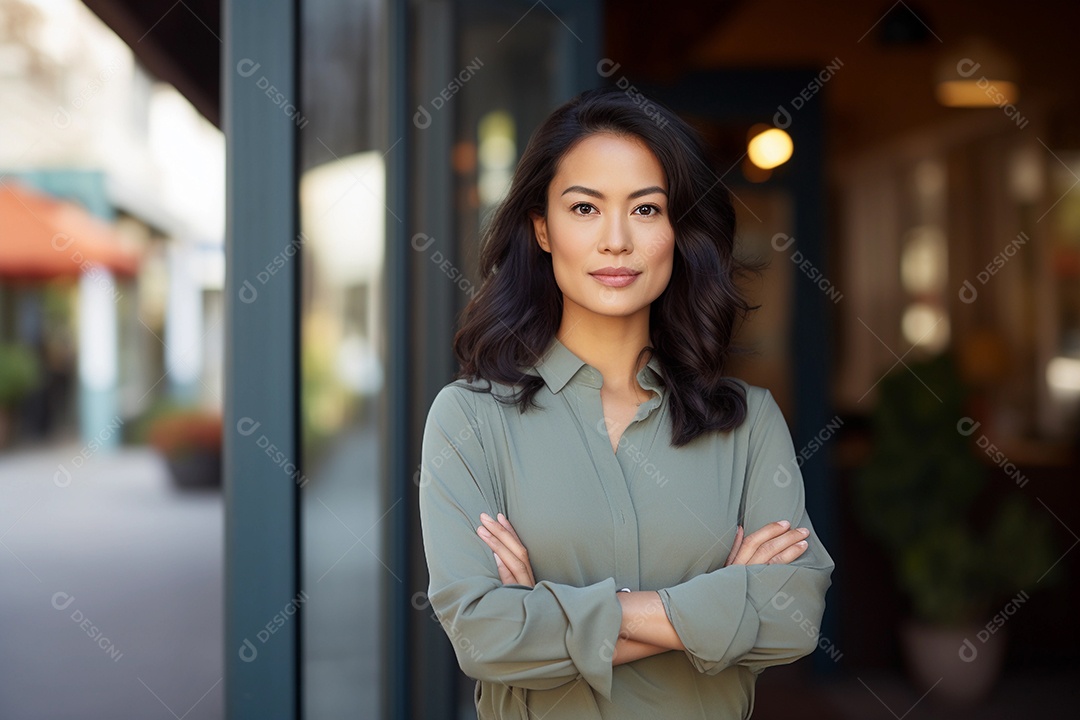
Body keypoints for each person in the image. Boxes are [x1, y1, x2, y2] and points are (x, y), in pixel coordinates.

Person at [418, 86, 834, 719]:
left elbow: (794, 618)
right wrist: (721, 603)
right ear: (542, 228)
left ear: (678, 230)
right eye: (585, 208)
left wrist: (546, 614)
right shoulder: (468, 419)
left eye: (645, 209)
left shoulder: (748, 424)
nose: (616, 240)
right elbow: (483, 636)